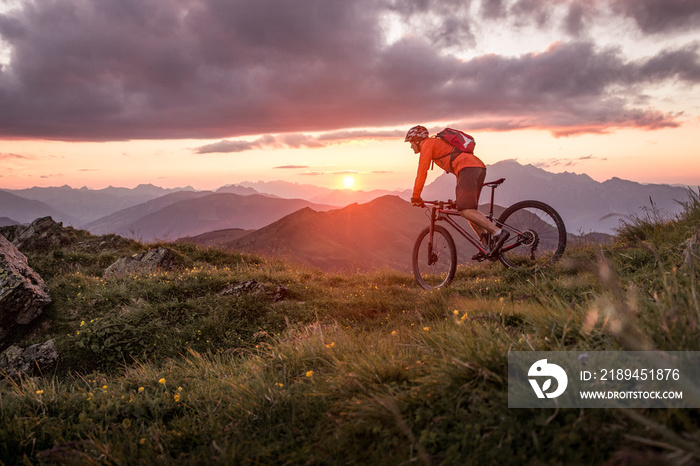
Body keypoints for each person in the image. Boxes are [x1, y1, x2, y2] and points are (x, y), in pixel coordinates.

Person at [406, 125, 509, 259]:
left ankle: (498, 232)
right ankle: (487, 246)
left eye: (410, 142)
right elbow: (457, 166)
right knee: (469, 211)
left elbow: (422, 171)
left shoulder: (428, 144)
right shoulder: (436, 144)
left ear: (417, 140)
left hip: (468, 169)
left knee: (465, 210)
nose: (410, 146)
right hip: (476, 168)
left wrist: (415, 196)